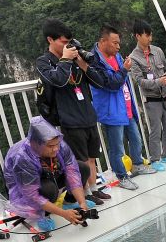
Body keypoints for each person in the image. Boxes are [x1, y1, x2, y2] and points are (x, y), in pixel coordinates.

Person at [35, 19, 111, 205]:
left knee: (92, 157)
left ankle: (94, 190)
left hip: (88, 114)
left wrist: (84, 65)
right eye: (62, 42)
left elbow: (100, 82)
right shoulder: (44, 62)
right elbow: (58, 80)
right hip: (69, 119)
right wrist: (66, 59)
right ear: (50, 40)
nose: (67, 46)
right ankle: (82, 194)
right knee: (79, 161)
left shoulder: (76, 60)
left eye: (69, 42)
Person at [3, 117, 95, 231]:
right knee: (49, 190)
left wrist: (82, 202)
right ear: (36, 144)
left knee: (82, 168)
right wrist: (63, 214)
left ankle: (69, 202)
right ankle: (41, 214)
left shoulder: (59, 145)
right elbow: (32, 195)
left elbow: (73, 173)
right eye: (50, 146)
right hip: (26, 190)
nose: (56, 149)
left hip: (48, 176)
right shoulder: (22, 157)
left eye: (57, 144)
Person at [90, 24, 144, 191]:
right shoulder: (95, 60)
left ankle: (138, 165)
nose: (118, 46)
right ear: (103, 41)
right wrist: (125, 69)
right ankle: (121, 176)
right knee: (117, 147)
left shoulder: (117, 56)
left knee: (136, 138)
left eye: (118, 43)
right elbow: (112, 84)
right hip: (111, 109)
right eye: (114, 43)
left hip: (125, 105)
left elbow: (122, 81)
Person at [128, 19, 166, 173]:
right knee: (156, 129)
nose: (150, 38)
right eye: (146, 35)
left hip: (165, 96)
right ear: (138, 36)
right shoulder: (134, 57)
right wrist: (159, 81)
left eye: (150, 35)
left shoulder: (158, 51)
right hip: (151, 99)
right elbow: (140, 81)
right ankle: (155, 158)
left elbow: (165, 69)